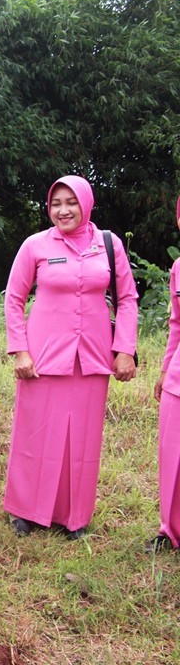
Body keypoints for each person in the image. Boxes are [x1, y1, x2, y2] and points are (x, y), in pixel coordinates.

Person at [3, 175, 137, 540]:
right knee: (35, 432)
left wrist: (124, 349)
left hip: (92, 356)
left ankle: (74, 516)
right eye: (56, 203)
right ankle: (25, 510)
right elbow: (14, 299)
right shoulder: (36, 245)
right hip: (43, 356)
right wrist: (20, 350)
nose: (63, 210)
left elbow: (126, 299)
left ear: (86, 203)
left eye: (71, 202)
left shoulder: (107, 245)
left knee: (83, 438)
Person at [150, 196, 180, 553]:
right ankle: (169, 530)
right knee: (171, 454)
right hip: (176, 377)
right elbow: (176, 325)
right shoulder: (177, 269)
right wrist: (164, 369)